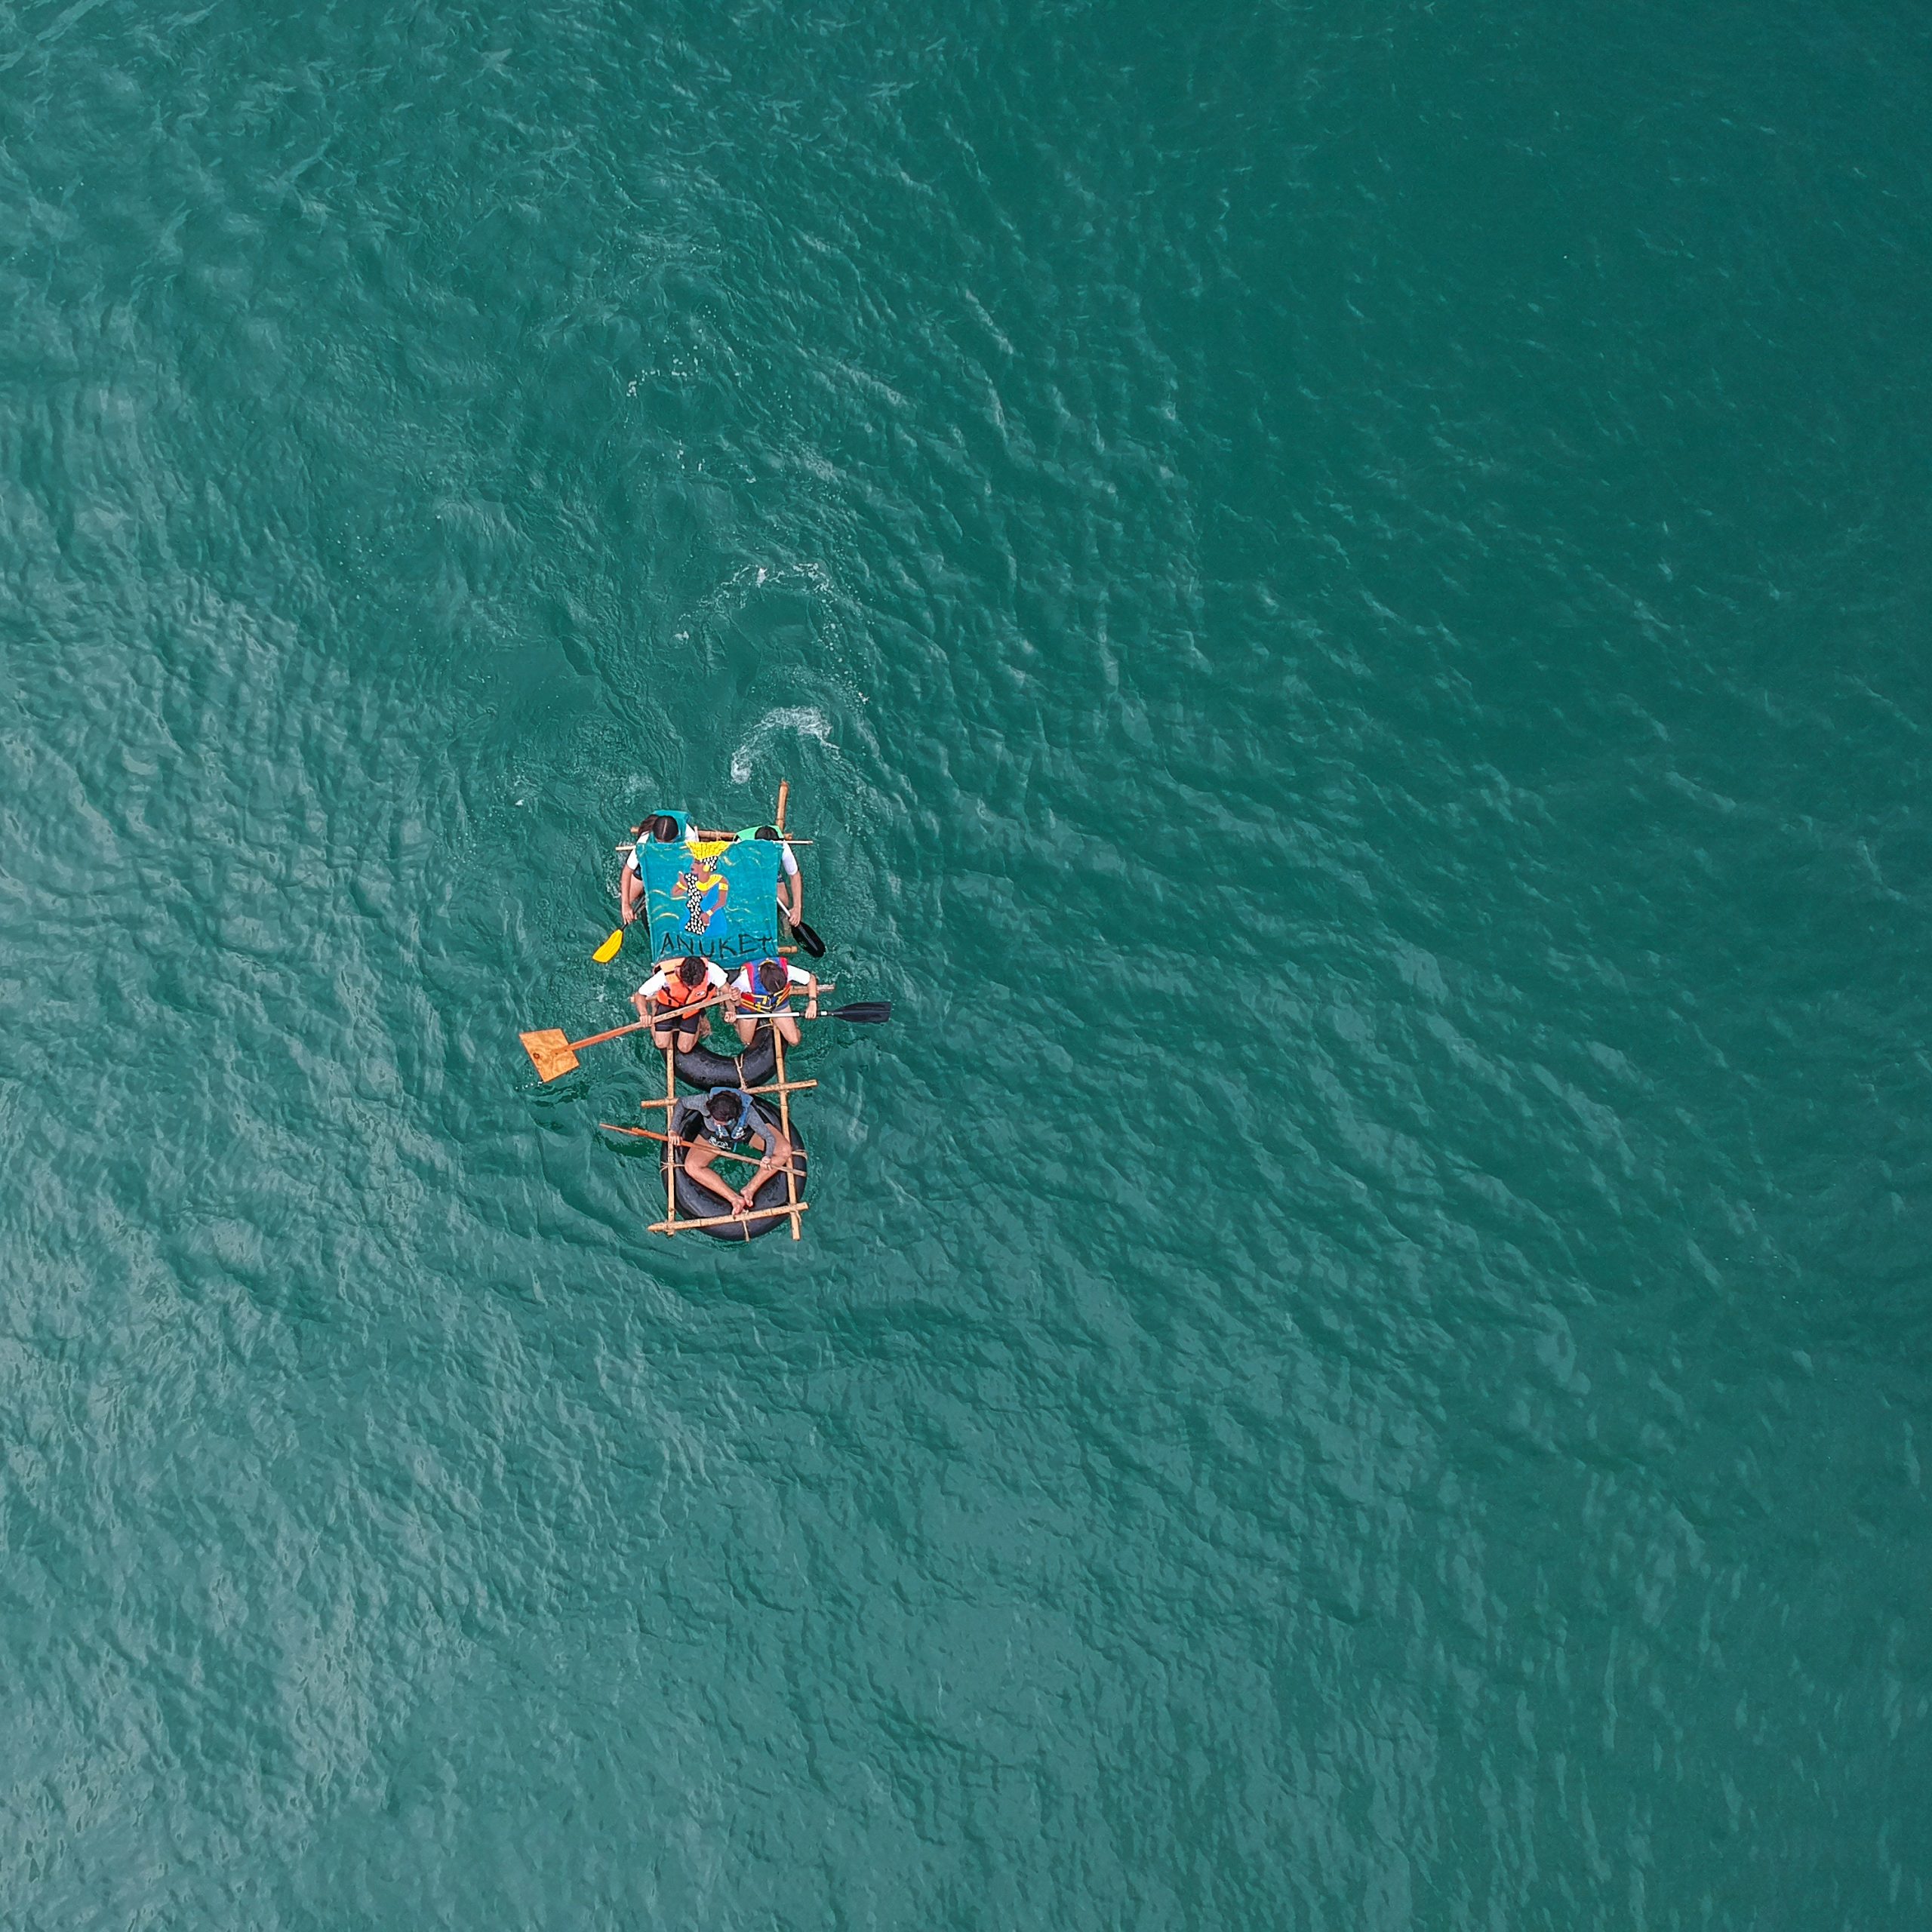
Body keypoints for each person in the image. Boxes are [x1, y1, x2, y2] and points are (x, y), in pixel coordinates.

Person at [677, 1086, 795, 1217]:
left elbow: (768, 1137)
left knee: (784, 1151)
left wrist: (767, 1156)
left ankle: (750, 1189)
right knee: (691, 1166)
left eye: (720, 1122)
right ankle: (734, 1199)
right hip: (716, 1137)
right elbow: (682, 1102)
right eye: (715, 1119)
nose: (716, 1123)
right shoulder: (703, 1103)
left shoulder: (749, 1114)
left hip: (745, 1133)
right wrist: (673, 1130)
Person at [631, 953, 725, 1051]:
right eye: (688, 984)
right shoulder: (664, 976)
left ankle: (699, 1018)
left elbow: (728, 990)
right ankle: (655, 1008)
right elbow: (640, 995)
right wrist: (644, 1014)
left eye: (695, 985)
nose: (691, 988)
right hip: (669, 1003)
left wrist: (731, 1009)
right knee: (661, 1043)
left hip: (693, 1005)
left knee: (685, 1048)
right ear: (679, 972)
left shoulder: (712, 970)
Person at [724, 954, 818, 1048]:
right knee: (746, 1041)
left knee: (795, 1041)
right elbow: (729, 996)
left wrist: (812, 1002)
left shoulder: (788, 970)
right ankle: (738, 1024)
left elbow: (811, 979)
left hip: (778, 1003)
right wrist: (732, 1010)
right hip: (751, 1007)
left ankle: (790, 1024)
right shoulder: (745, 980)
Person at [619, 812, 687, 927]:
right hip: (647, 863)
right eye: (660, 843)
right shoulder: (644, 842)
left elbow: (690, 865)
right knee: (627, 900)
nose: (662, 847)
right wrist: (625, 906)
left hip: (674, 862)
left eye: (667, 844)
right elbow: (627, 871)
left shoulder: (689, 837)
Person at [731, 823, 803, 928]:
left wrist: (797, 907)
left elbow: (794, 875)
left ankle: (783, 917)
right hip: (749, 866)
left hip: (771, 867)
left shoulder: (782, 847)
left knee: (783, 900)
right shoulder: (741, 846)